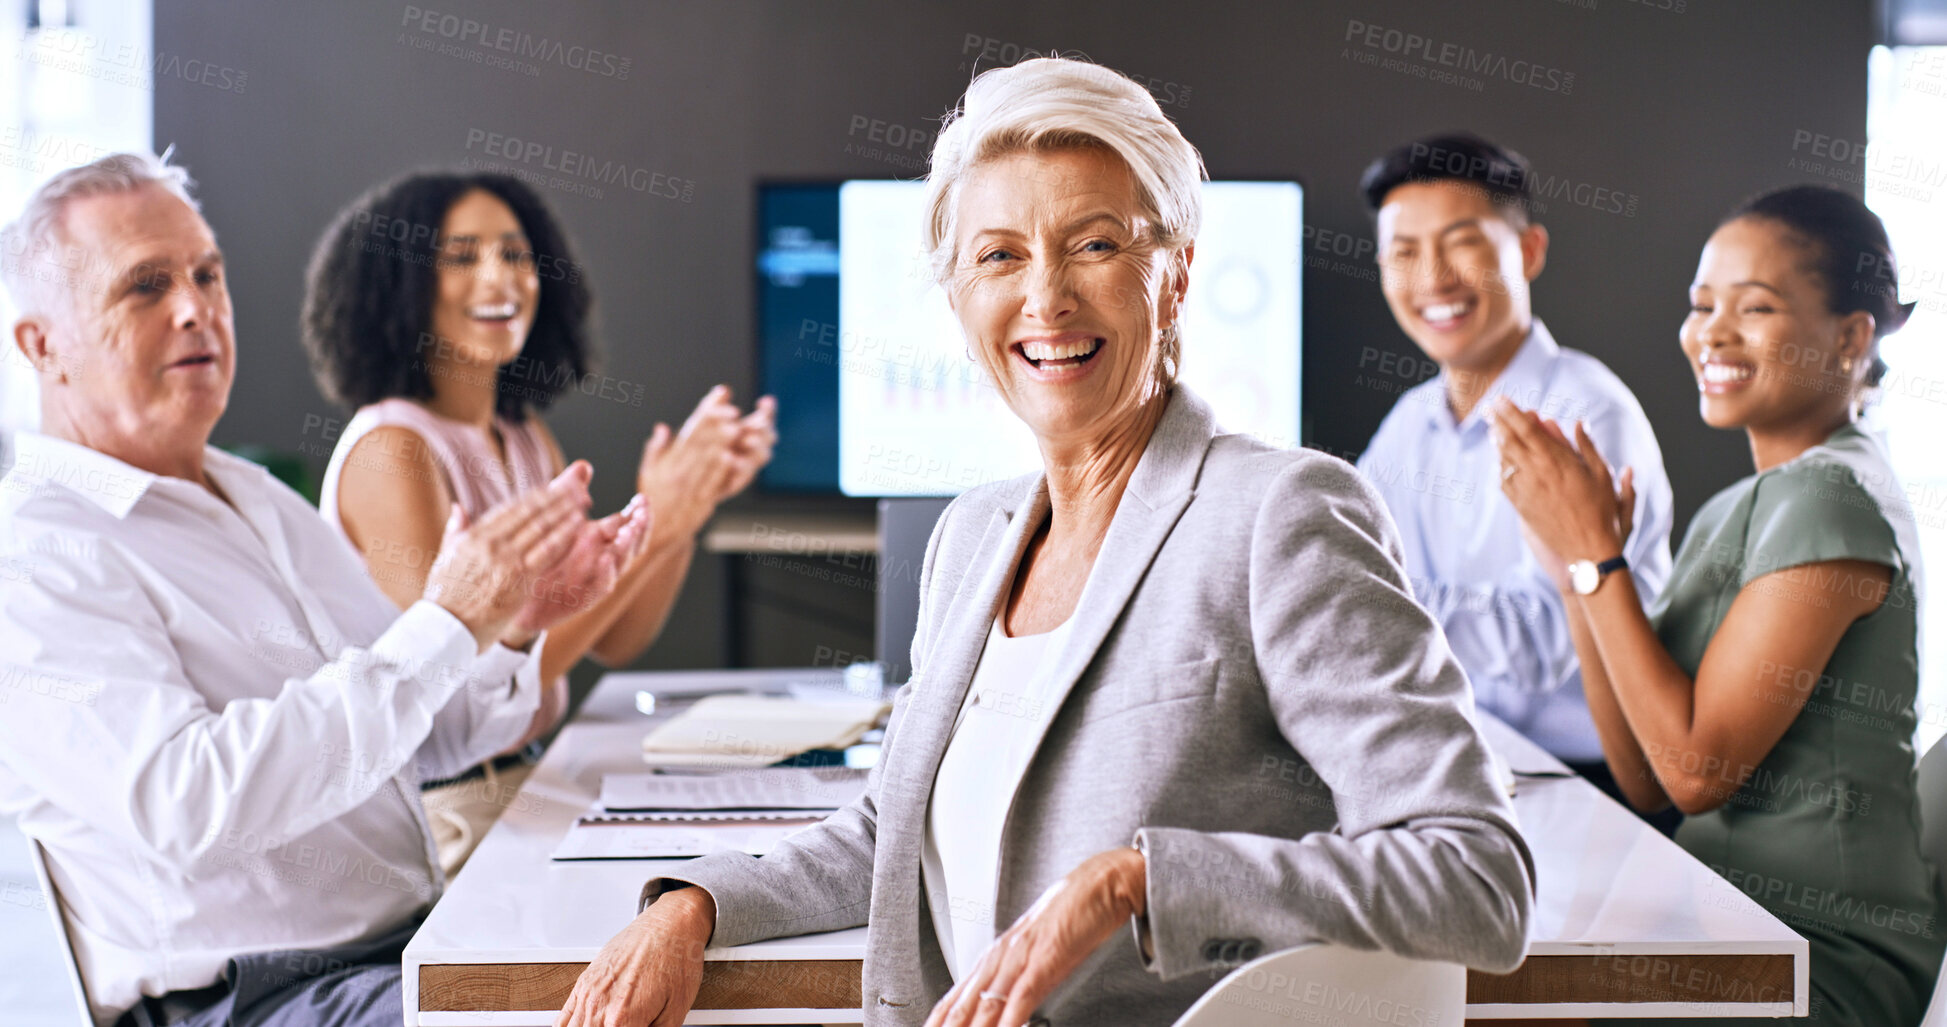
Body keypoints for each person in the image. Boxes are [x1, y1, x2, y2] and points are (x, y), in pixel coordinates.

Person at [557, 58, 1534, 1027]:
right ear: (958, 298)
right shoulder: (971, 534)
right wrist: (692, 905)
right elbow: (891, 836)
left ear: (1177, 271)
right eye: (999, 256)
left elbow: (1476, 877)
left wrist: (1141, 884)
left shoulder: (1278, 513)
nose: (1047, 296)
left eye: (1095, 244)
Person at [0, 151, 649, 1027]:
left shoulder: (254, 494)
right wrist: (449, 619)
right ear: (42, 345)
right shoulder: (38, 551)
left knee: (684, 966)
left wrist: (507, 626)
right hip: (255, 999)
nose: (196, 309)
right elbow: (187, 802)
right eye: (144, 287)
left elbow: (431, 734)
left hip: (404, 946)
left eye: (206, 275)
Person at [1493, 184, 1939, 1026]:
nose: (1712, 333)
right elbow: (1641, 771)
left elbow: (1696, 774)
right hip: (1721, 922)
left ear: (1851, 338)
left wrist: (1599, 556)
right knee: (1473, 987)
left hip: (1813, 957)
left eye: (1756, 307)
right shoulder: (1742, 505)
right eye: (1701, 305)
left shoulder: (1830, 498)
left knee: (1482, 1001)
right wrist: (1573, 572)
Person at [301, 171, 775, 873]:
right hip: (445, 816)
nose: (501, 277)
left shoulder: (522, 436)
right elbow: (462, 690)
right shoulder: (391, 450)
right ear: (399, 285)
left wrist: (676, 517)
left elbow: (615, 635)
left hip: (524, 784)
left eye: (516, 254)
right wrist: (661, 511)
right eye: (461, 257)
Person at [1356, 132, 1675, 814]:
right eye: (1403, 252)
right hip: (1466, 771)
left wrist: (1363, 602)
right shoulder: (1410, 419)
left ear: (1527, 252)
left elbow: (1544, 643)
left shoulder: (1586, 412)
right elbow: (1351, 559)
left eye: (1461, 242)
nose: (1431, 277)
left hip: (1585, 785)